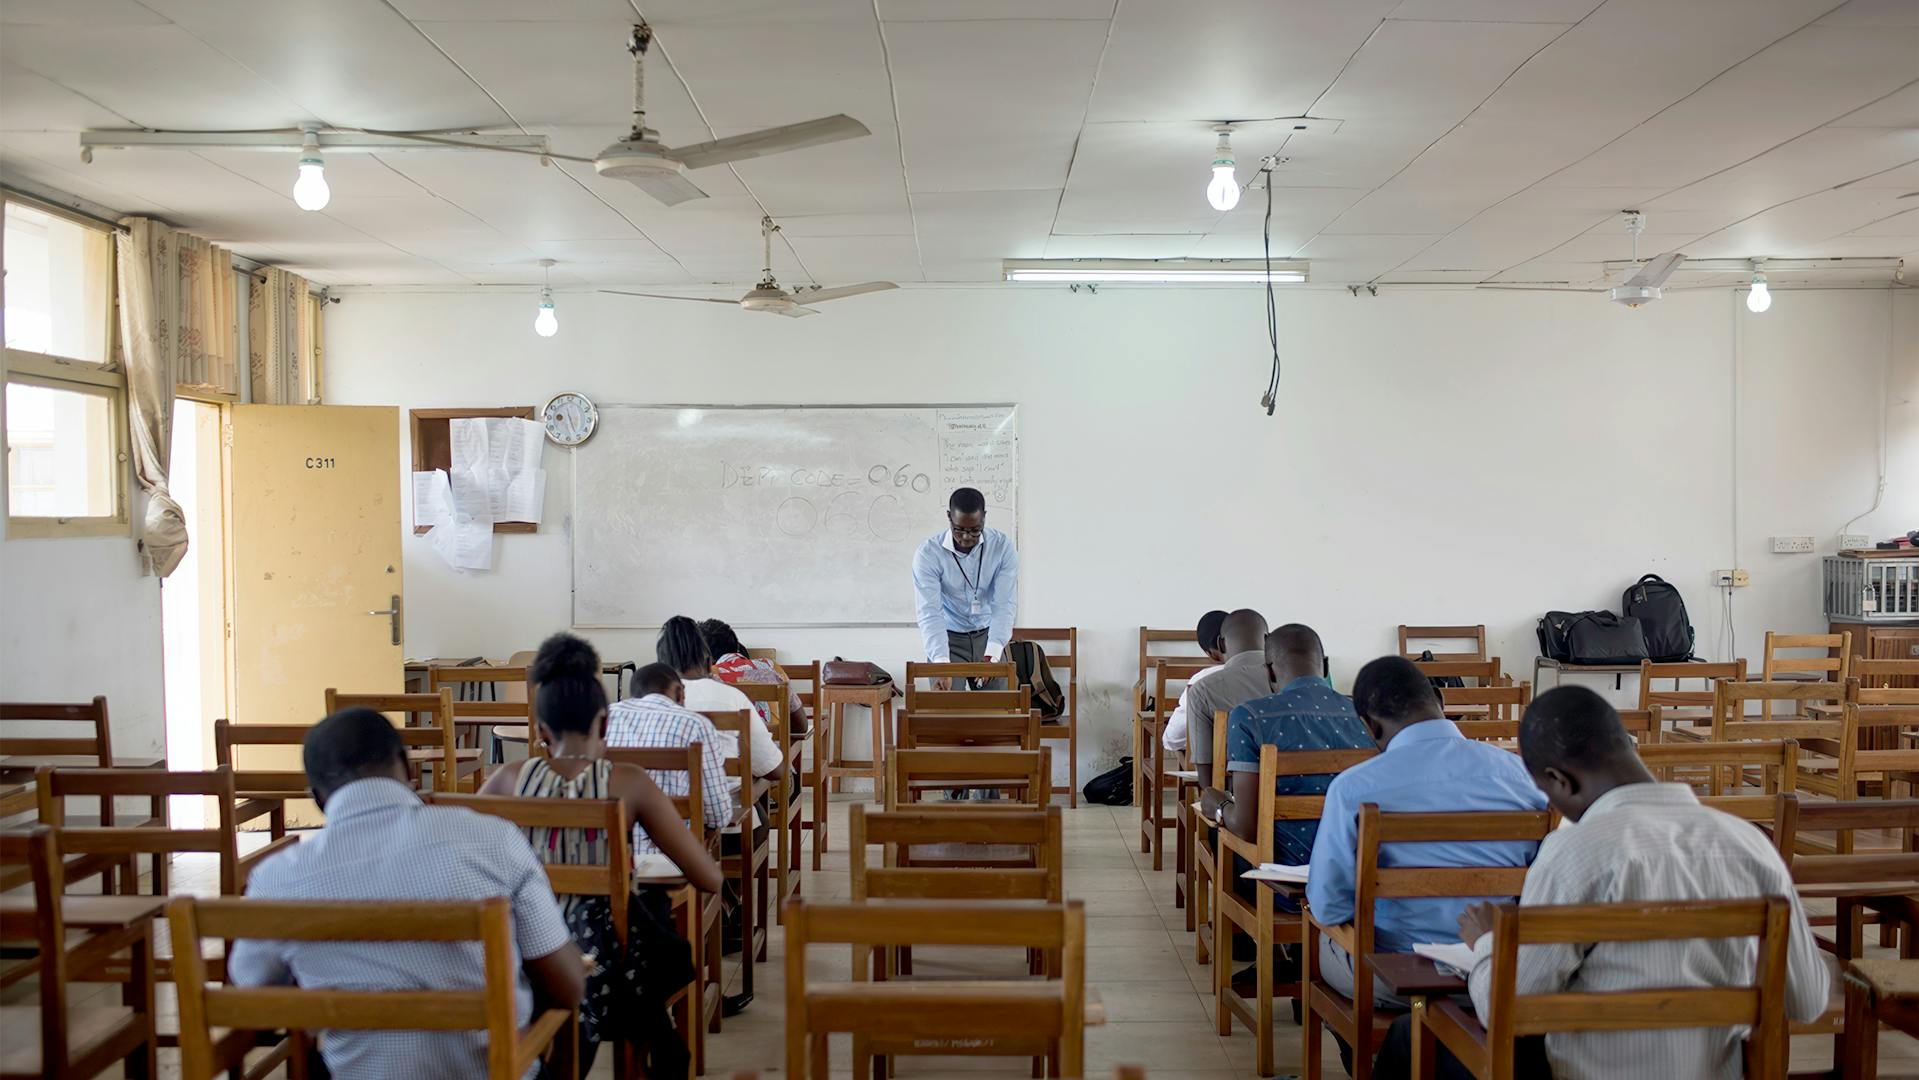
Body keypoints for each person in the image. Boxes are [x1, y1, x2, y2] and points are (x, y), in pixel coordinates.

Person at [1376, 686, 1832, 1080]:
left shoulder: (1576, 852)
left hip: (1586, 1071)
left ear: (1559, 780)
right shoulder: (1749, 844)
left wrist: (1487, 944)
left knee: (1412, 1028)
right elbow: (1808, 1002)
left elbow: (1507, 1010)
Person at [229, 707, 584, 1080]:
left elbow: (255, 996)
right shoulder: (491, 838)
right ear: (408, 767)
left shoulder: (279, 879)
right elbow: (568, 987)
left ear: (317, 797)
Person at [481, 633, 723, 1078]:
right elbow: (708, 878)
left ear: (539, 731)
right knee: (651, 948)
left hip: (518, 947)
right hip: (603, 958)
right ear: (605, 724)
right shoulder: (626, 781)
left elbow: (468, 854)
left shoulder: (508, 778)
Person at [1305, 655, 1547, 1014]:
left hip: (1394, 973)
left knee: (1318, 940)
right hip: (1496, 967)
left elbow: (1329, 905)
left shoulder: (1354, 788)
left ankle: (1366, 1051)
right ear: (1440, 699)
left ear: (1369, 725)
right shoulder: (1524, 777)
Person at [605, 663, 733, 851]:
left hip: (611, 854)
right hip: (672, 854)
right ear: (680, 692)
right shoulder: (695, 724)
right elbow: (718, 813)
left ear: (633, 694)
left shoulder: (605, 717)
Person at [912, 486, 1019, 689]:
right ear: (949, 518)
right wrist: (941, 664)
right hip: (949, 637)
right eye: (959, 529)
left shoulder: (1003, 548)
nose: (967, 538)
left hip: (989, 634)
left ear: (984, 518)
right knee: (947, 711)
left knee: (999, 713)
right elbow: (929, 612)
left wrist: (993, 655)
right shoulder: (928, 555)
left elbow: (1004, 605)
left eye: (975, 530)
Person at [656, 615, 782, 784]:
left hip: (659, 806)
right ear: (709, 663)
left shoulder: (646, 701)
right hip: (726, 805)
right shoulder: (732, 697)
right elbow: (774, 770)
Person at [1179, 609, 1275, 773]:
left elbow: (1206, 778)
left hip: (1235, 792)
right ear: (1267, 639)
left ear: (1220, 644)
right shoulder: (1296, 682)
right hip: (1305, 792)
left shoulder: (1203, 690)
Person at [697, 617, 808, 734]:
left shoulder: (704, 678)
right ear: (737, 646)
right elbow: (801, 726)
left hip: (725, 750)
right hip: (770, 750)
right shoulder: (770, 667)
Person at [1161, 609, 1229, 758]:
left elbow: (1173, 739)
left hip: (1214, 767)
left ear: (1210, 653)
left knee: (1179, 742)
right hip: (1264, 766)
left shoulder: (1201, 681)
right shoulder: (1272, 673)